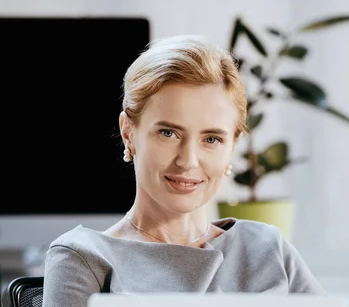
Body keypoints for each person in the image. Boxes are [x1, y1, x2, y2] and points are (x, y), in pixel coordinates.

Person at [42, 34, 325, 307]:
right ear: (128, 132)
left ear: (233, 145)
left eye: (211, 139)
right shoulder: (83, 257)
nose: (188, 161)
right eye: (168, 133)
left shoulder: (267, 248)